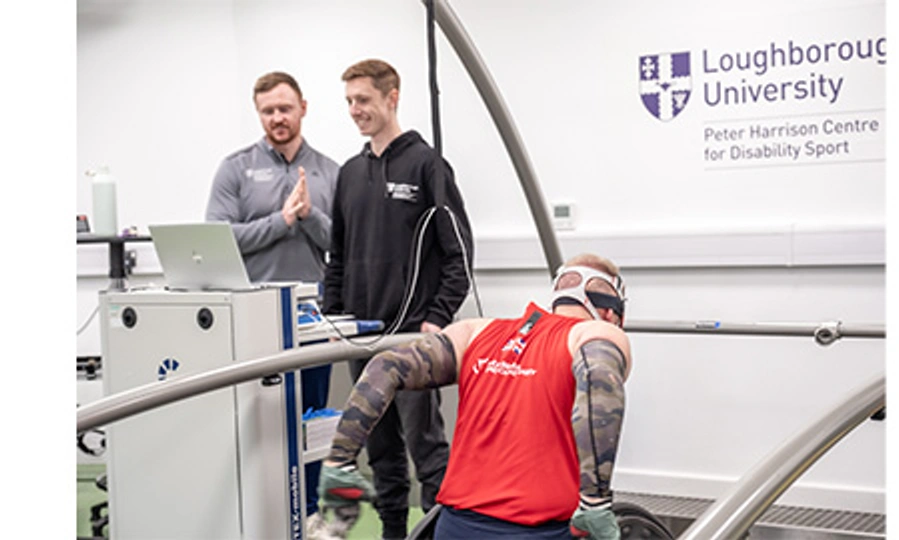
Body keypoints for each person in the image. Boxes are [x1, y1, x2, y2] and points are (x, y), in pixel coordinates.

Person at [319, 253, 631, 539]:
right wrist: (595, 500)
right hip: (537, 532)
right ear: (610, 312)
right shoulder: (595, 332)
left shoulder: (476, 331)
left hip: (455, 528)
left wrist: (340, 459)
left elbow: (384, 367)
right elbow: (598, 379)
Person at [322, 58, 474, 539]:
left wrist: (436, 319)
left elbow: (459, 254)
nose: (354, 110)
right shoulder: (349, 174)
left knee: (426, 452)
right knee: (380, 451)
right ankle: (392, 534)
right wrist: (333, 320)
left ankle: (435, 533)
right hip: (361, 340)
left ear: (392, 97)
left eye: (363, 99)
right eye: (348, 101)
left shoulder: (427, 165)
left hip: (412, 340)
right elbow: (338, 257)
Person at [205, 71, 339, 520]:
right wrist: (281, 221)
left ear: (304, 106)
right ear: (258, 113)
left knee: (313, 416)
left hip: (312, 313)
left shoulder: (331, 171)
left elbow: (343, 242)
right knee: (258, 415)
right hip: (254, 312)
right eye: (268, 111)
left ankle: (311, 511)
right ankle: (260, 511)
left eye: (285, 108)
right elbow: (219, 238)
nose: (277, 118)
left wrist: (309, 214)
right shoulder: (236, 167)